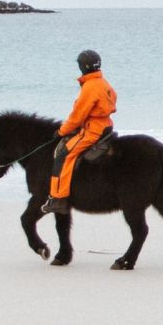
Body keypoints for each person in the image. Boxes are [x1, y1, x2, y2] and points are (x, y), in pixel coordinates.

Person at [42, 49, 116, 215]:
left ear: (84, 67)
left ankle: (58, 199)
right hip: (106, 125)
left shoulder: (89, 87)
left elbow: (77, 117)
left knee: (64, 154)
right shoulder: (103, 83)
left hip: (92, 130)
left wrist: (61, 131)